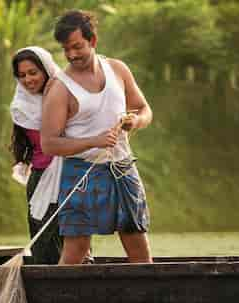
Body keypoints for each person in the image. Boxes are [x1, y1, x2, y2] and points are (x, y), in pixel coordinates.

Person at [41, 10, 153, 264]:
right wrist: (94, 141)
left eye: (77, 47)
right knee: (77, 247)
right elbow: (49, 143)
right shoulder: (60, 88)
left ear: (93, 41)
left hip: (123, 167)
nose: (71, 55)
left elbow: (145, 110)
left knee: (136, 238)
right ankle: (58, 301)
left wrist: (135, 121)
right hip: (81, 171)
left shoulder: (117, 69)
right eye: (66, 49)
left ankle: (150, 300)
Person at [10, 46, 95, 264]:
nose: (28, 79)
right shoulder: (21, 106)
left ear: (46, 70)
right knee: (44, 242)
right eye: (22, 75)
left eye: (33, 72)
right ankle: (50, 288)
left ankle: (82, 289)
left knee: (76, 242)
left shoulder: (67, 96)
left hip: (71, 175)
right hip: (40, 180)